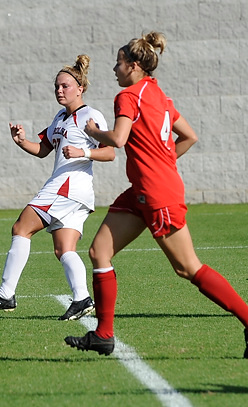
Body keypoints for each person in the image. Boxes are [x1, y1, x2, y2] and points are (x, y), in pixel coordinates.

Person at [65, 31, 248, 357]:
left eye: (118, 63)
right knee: (99, 252)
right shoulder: (158, 94)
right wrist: (161, 163)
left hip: (156, 193)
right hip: (142, 190)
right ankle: (104, 335)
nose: (114, 69)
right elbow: (189, 136)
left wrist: (93, 133)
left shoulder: (129, 96)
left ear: (134, 65)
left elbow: (119, 139)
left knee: (188, 268)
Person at [0, 55, 115, 320]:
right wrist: (21, 141)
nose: (60, 91)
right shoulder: (61, 117)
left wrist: (83, 151)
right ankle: (83, 299)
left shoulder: (90, 115)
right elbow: (43, 149)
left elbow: (110, 153)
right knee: (63, 249)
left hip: (67, 187)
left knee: (21, 227)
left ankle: (5, 295)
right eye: (57, 87)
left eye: (66, 86)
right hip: (73, 192)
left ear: (80, 88)